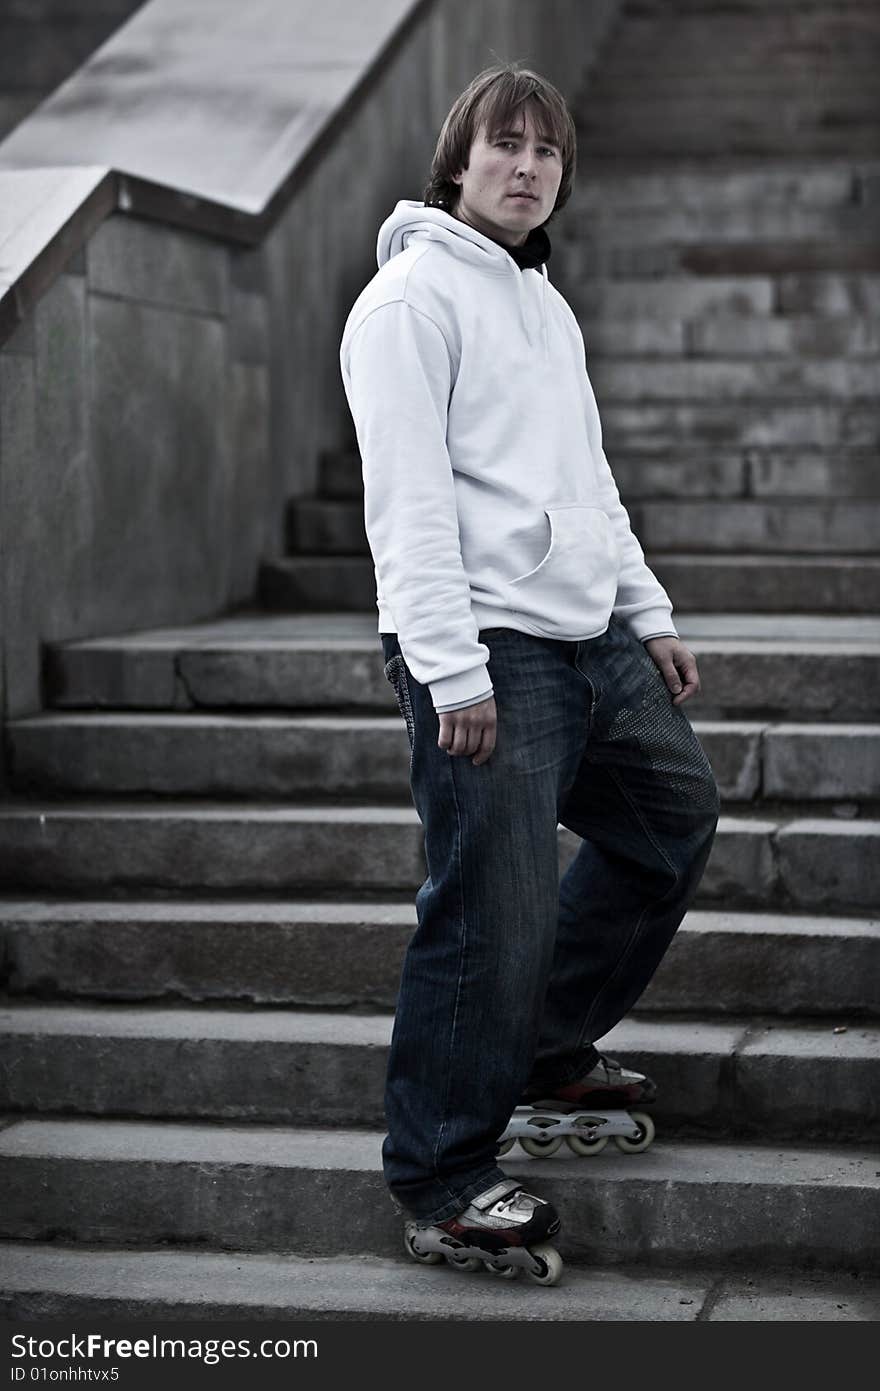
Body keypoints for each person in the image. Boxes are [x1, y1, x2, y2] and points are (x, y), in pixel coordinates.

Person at [339, 62, 720, 1279]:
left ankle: (549, 1043)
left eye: (546, 152)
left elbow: (587, 477)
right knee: (486, 909)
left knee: (672, 817)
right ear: (457, 160)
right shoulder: (409, 302)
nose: (525, 167)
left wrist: (642, 606)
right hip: (487, 642)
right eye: (504, 146)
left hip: (587, 635)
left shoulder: (543, 303)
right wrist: (450, 671)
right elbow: (405, 505)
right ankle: (443, 1174)